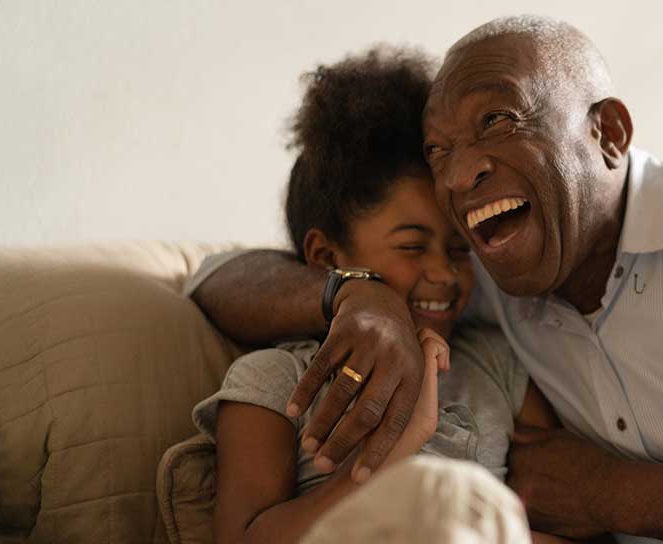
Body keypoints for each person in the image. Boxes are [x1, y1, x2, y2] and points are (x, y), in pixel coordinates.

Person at [190, 15, 663, 544]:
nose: (459, 175)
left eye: (497, 120)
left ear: (608, 133)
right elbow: (212, 278)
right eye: (439, 151)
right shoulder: (481, 267)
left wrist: (613, 495)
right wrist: (359, 294)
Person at [188, 47, 567, 544]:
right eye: (411, 246)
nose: (443, 273)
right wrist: (385, 454)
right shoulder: (279, 381)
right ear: (326, 256)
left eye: (459, 248)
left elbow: (569, 518)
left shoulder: (496, 367)